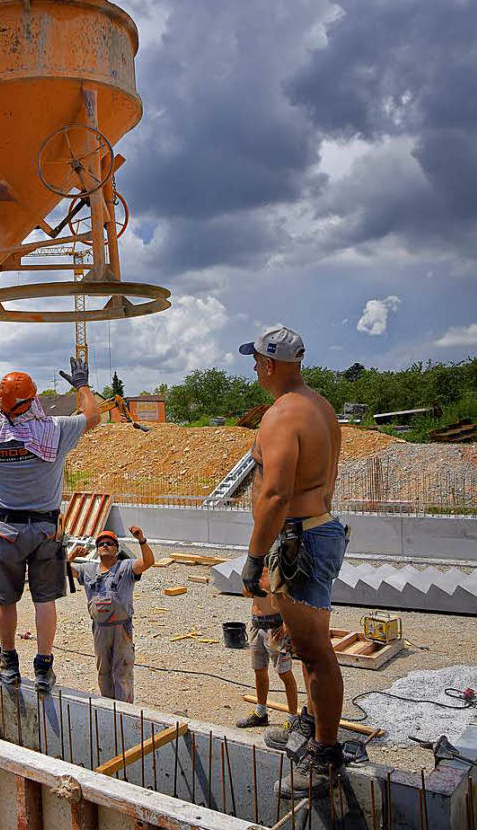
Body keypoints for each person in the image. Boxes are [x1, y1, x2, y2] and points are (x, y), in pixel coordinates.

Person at [238, 325, 347, 798]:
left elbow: (277, 493)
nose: (254, 368)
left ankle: (324, 757)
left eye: (256, 360)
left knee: (316, 651)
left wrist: (255, 557)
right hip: (318, 529)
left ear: (268, 363)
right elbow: (325, 479)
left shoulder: (281, 415)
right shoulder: (320, 405)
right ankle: (310, 725)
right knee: (304, 645)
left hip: (299, 539)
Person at [0, 358, 100, 692]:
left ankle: (10, 664)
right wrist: (81, 385)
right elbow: (93, 416)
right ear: (33, 400)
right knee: (44, 601)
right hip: (46, 531)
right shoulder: (55, 431)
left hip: (7, 532)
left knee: (6, 600)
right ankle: (44, 670)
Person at [68, 526, 154, 702]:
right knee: (103, 672)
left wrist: (141, 540)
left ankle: (125, 711)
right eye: (101, 543)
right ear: (97, 549)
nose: (105, 545)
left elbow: (148, 562)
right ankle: (108, 708)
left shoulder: (125, 568)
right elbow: (62, 568)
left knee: (122, 671)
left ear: (117, 549)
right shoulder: (88, 570)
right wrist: (72, 554)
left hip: (121, 628)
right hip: (100, 629)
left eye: (109, 543)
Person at [236, 566, 299, 730]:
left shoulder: (279, 567)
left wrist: (287, 624)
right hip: (257, 625)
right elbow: (246, 593)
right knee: (259, 670)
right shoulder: (255, 568)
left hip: (275, 627)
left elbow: (293, 596)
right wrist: (250, 587)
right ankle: (260, 713)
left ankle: (293, 717)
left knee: (285, 673)